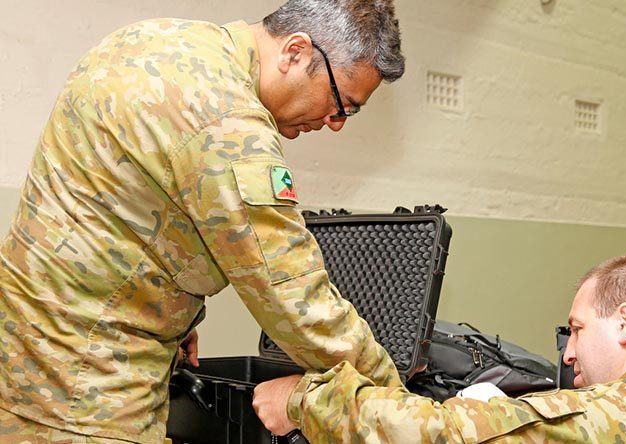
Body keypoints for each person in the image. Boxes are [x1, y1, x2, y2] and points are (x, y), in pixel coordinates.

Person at [0, 1, 405, 442]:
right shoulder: (228, 122)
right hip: (86, 389)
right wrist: (396, 398)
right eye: (342, 103)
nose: (336, 124)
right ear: (295, 52)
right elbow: (293, 296)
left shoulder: (150, 40)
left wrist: (175, 316)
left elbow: (120, 210)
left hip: (23, 353)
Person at [255, 255, 626, 443]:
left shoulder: (624, 414)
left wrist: (303, 399)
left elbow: (441, 433)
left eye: (578, 329)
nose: (567, 354)